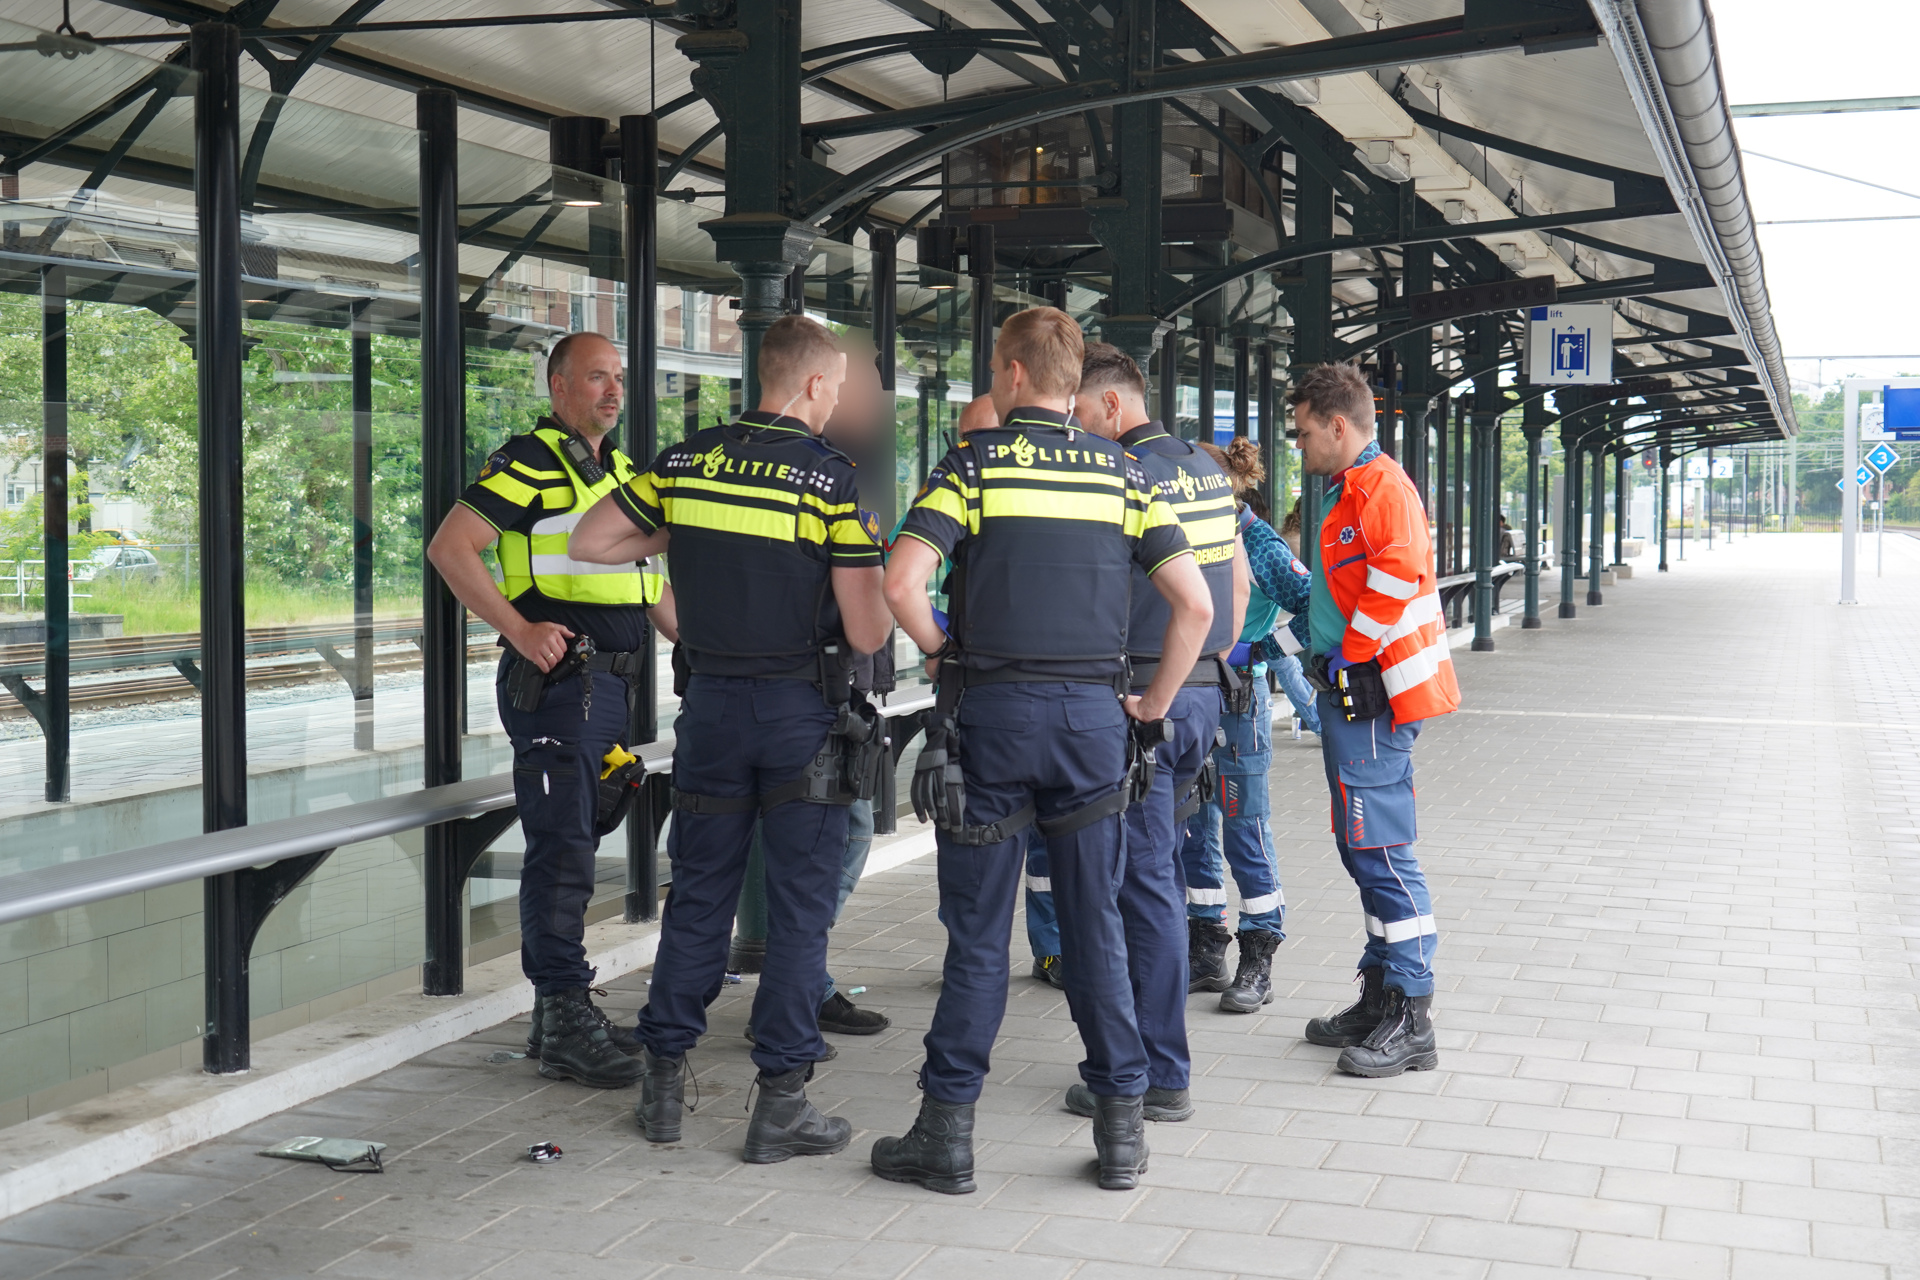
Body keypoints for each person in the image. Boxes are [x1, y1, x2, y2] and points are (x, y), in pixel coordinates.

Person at [871, 307, 1212, 1195]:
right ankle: (1123, 1133)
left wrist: (945, 650)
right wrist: (1153, 706)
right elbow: (1198, 608)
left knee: (978, 937)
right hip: (1095, 731)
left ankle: (945, 1136)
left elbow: (902, 582)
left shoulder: (973, 468)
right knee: (1096, 924)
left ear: (1013, 376)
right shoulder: (1126, 477)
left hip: (991, 721)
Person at [569, 314, 894, 1161]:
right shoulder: (830, 481)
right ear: (817, 385)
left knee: (701, 896)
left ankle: (665, 1083)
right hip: (801, 718)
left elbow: (591, 539)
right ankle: (779, 1103)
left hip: (709, 707)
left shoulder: (687, 461)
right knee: (796, 912)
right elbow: (865, 633)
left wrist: (685, 538)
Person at [425, 331, 675, 1091]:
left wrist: (704, 649)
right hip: (562, 686)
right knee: (561, 848)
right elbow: (451, 548)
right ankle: (563, 1014)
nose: (612, 390)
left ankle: (557, 1014)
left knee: (578, 838)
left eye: (619, 378)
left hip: (614, 690)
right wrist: (520, 628)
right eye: (596, 377)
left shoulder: (623, 472)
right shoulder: (531, 462)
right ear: (558, 387)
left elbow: (650, 584)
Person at [1061, 342, 1245, 1123]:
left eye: (1076, 414)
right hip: (1204, 692)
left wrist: (1151, 700)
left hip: (1148, 696)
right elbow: (1231, 582)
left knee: (1144, 888)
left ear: (1110, 405)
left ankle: (1156, 1074)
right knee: (1156, 870)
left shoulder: (1125, 473)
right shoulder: (1206, 467)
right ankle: (1141, 1054)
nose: (1072, 430)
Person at [1291, 361, 1459, 1077]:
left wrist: (1351, 658)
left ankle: (1412, 1015)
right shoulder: (1354, 488)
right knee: (1363, 848)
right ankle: (1384, 992)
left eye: (1303, 433)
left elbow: (1396, 574)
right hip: (1357, 690)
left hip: (1372, 694)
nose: (1298, 444)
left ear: (1337, 425)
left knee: (1382, 848)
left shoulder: (1381, 489)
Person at [1180, 438, 1312, 1014]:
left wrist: (1261, 647)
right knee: (1194, 828)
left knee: (1244, 829)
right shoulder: (1192, 532)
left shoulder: (1259, 542)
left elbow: (1313, 607)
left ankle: (1259, 954)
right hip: (1192, 698)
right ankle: (1207, 946)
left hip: (1238, 705)